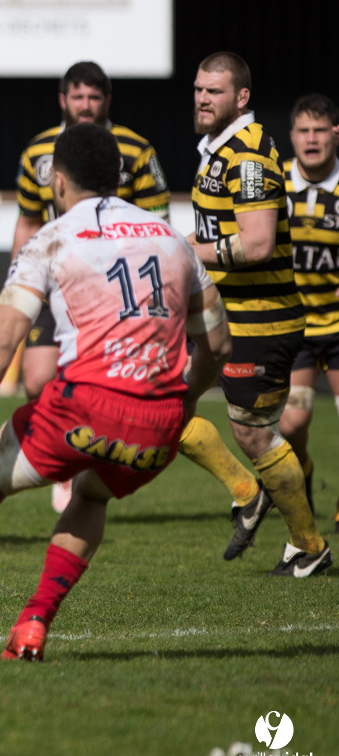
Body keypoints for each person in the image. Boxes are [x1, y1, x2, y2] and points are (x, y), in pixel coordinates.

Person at [0, 123, 232, 661]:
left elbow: (1, 341)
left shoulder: (53, 238)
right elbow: (218, 345)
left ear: (57, 181)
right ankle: (34, 623)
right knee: (91, 494)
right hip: (157, 424)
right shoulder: (171, 238)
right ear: (119, 176)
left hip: (82, 406)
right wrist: (182, 401)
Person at [185, 52, 330, 576]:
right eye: (199, 88)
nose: (202, 98)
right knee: (164, 406)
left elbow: (258, 243)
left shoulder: (247, 157)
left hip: (260, 319)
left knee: (252, 433)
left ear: (241, 98)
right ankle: (247, 493)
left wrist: (185, 249)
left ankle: (309, 545)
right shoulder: (218, 151)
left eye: (214, 91)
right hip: (222, 315)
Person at [10, 61, 172, 511]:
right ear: (63, 100)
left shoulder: (137, 150)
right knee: (36, 380)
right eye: (77, 96)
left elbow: (158, 224)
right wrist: (17, 281)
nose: (85, 105)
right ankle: (72, 458)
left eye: (94, 97)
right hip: (54, 274)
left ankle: (88, 463)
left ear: (107, 101)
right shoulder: (38, 152)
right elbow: (26, 221)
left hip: (113, 285)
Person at [278, 93, 339, 532]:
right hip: (296, 327)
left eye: (320, 130)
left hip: (338, 325)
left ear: (336, 133)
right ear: (292, 136)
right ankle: (306, 474)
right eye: (304, 130)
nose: (312, 139)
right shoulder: (273, 185)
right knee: (292, 422)